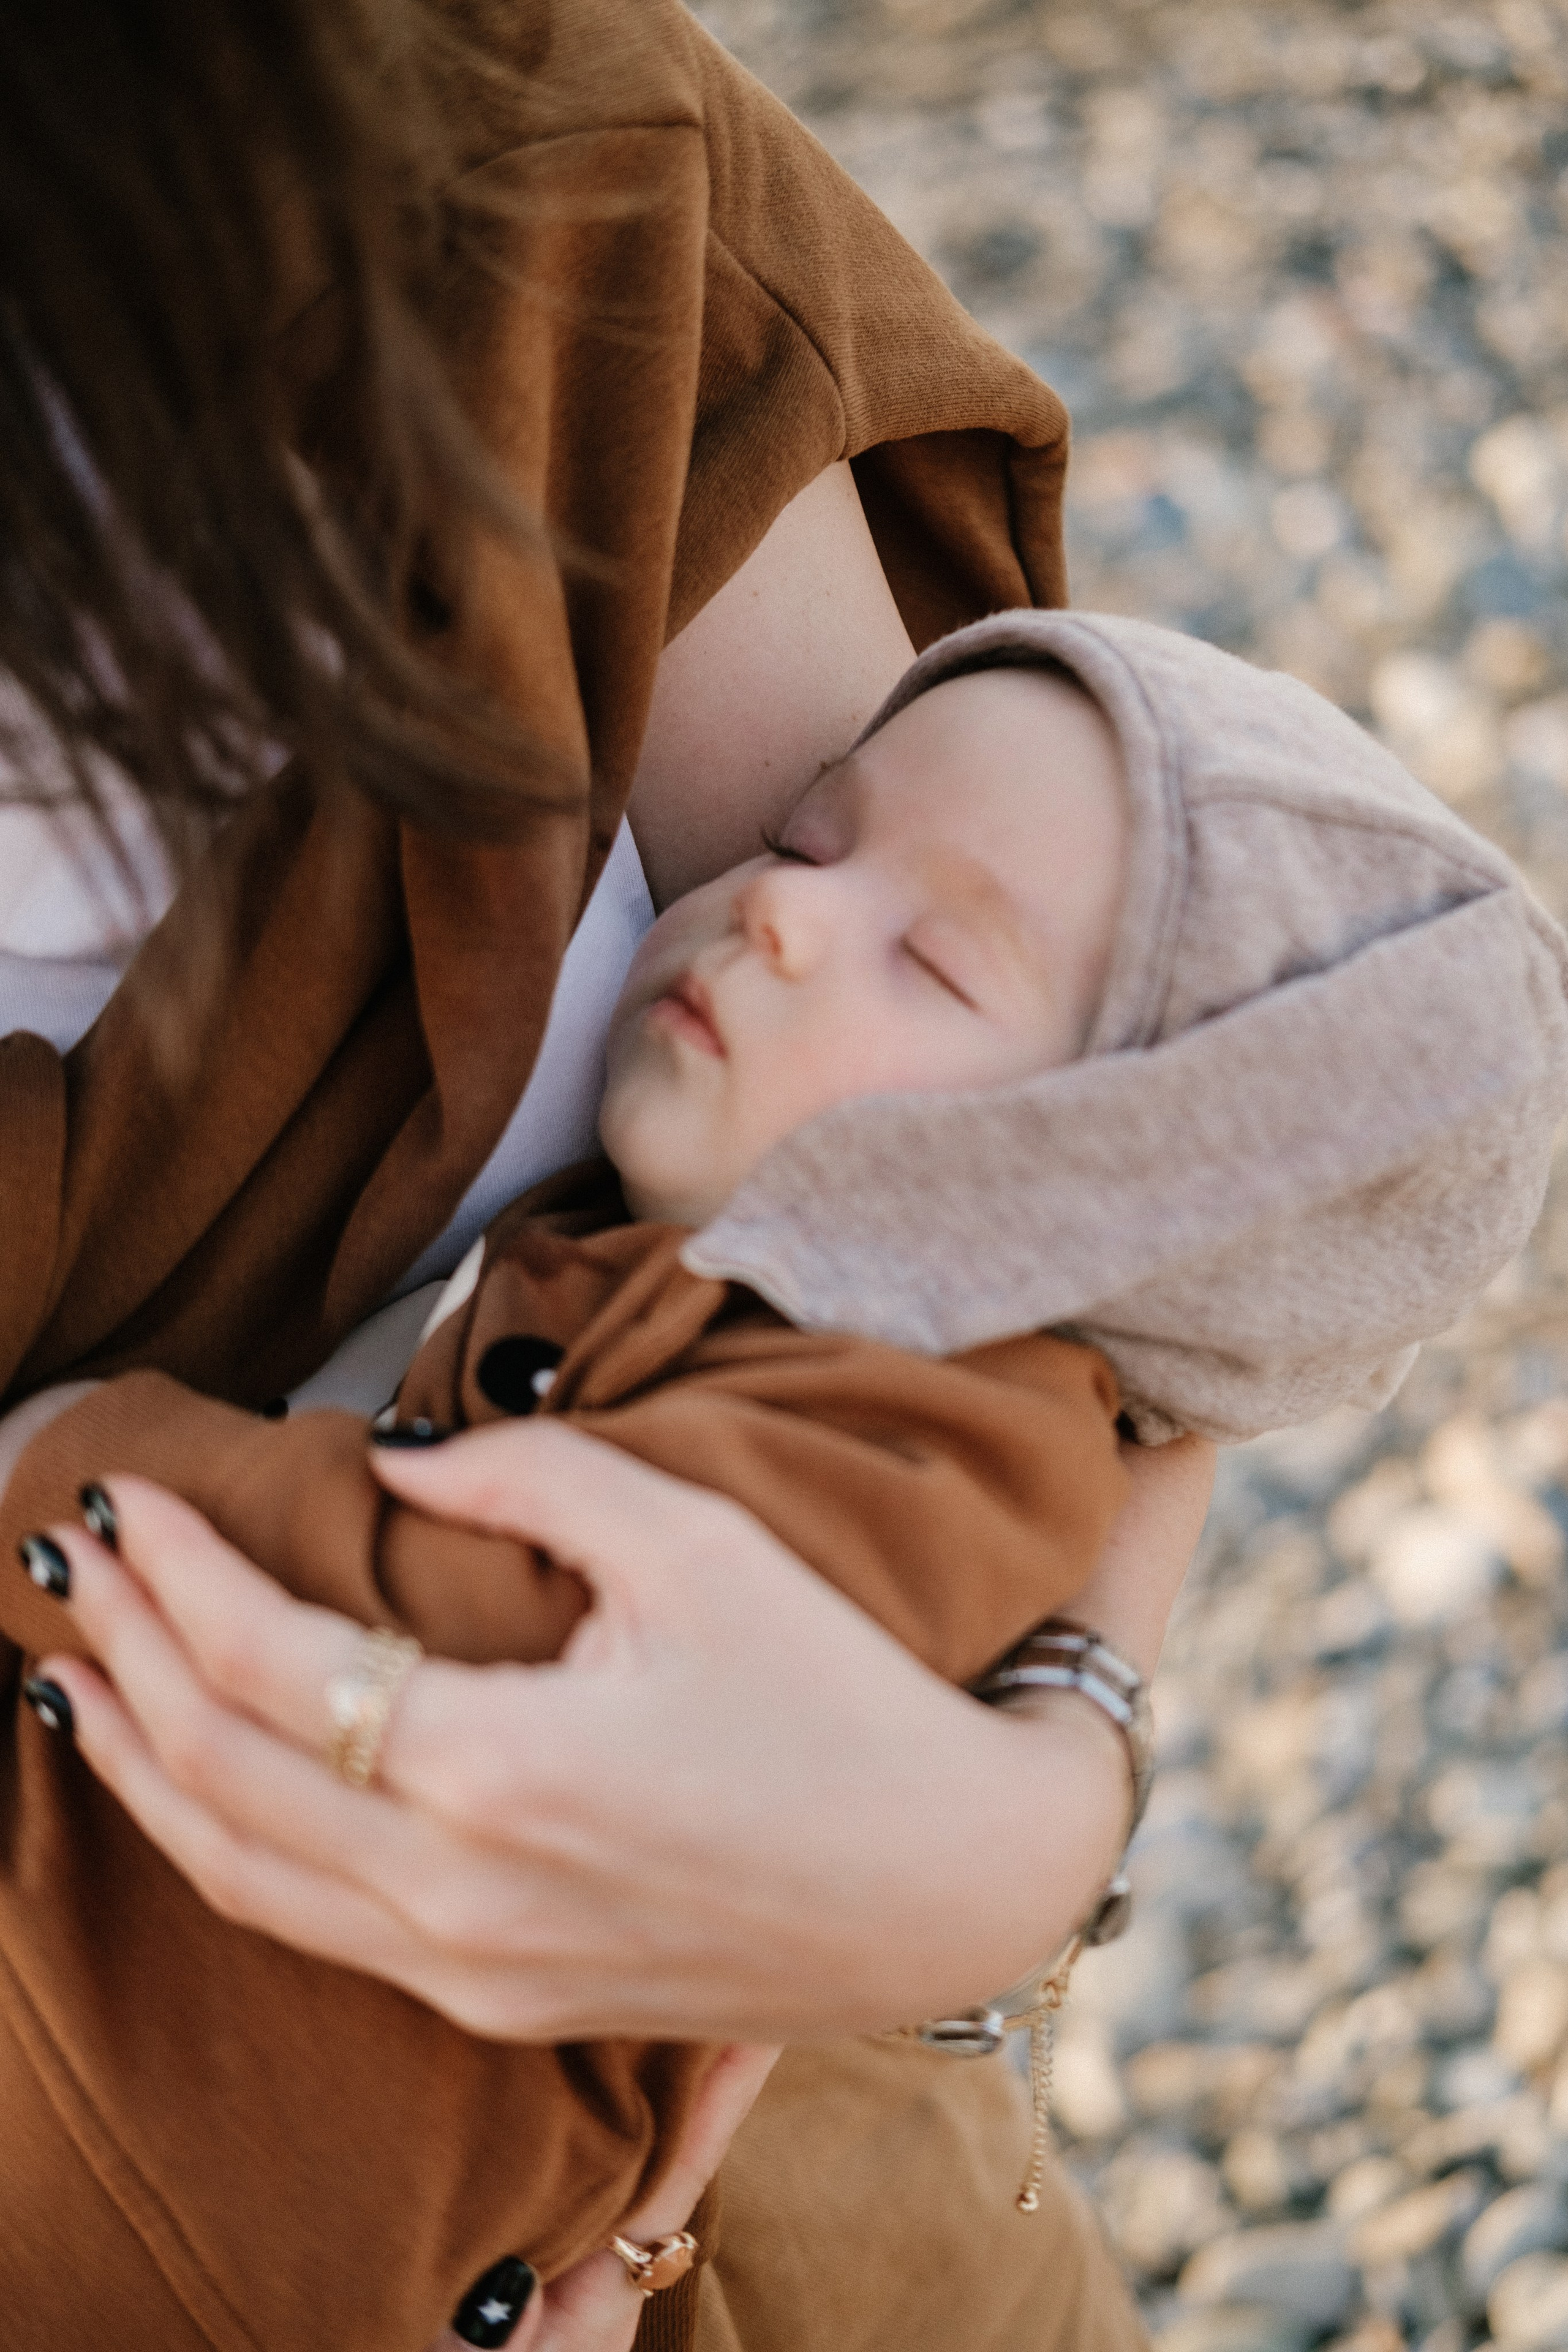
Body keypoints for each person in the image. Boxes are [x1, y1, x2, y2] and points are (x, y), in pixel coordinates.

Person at [0, 1, 1216, 2347]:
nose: (785, 921)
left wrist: (1015, 1829)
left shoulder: (491, 137)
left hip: (839, 2182)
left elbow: (1132, 1158)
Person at [9, 606, 1566, 2348]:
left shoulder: (906, 1433)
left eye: (939, 967)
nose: (780, 902)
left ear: (1110, 1185)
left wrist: (60, 1468)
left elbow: (477, 1609)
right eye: (807, 831)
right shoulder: (751, 1301)